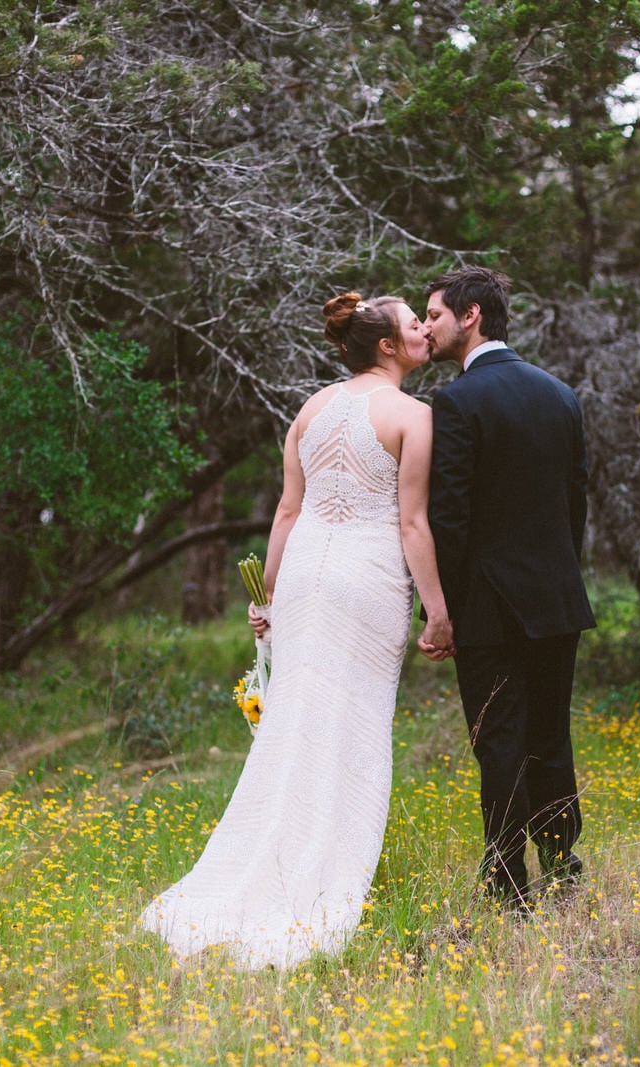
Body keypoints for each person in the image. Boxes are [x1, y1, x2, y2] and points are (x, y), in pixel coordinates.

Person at [140, 293, 454, 968]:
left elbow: (287, 510)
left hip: (308, 572)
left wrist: (271, 594)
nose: (425, 332)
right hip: (368, 576)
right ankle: (318, 871)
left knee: (296, 719)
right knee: (355, 721)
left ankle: (273, 852)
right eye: (412, 326)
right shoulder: (414, 416)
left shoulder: (310, 409)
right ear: (389, 347)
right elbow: (410, 525)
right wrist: (438, 609)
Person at [421, 266, 595, 911]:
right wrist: (557, 577)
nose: (428, 327)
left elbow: (451, 517)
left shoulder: (458, 402)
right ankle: (562, 864)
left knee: (498, 739)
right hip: (557, 598)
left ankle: (507, 880)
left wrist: (442, 609)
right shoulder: (560, 395)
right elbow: (574, 505)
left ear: (470, 315)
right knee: (550, 735)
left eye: (434, 315)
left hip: (488, 606)